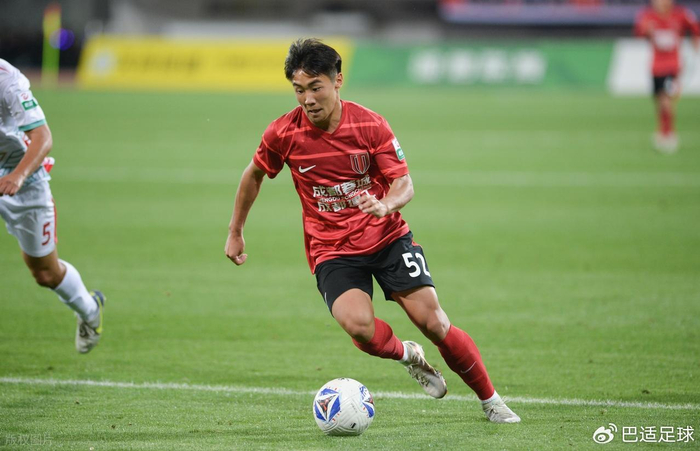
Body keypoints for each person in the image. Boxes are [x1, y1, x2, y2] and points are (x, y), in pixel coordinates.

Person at [225, 39, 520, 423]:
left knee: (435, 323)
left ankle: (491, 401)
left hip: (387, 238)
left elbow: (404, 183)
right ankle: (408, 356)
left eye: (316, 87)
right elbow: (254, 174)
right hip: (331, 248)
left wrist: (386, 205)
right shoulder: (283, 133)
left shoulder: (369, 124)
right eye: (299, 90)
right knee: (359, 327)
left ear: (338, 81)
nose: (308, 99)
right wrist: (236, 230)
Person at [0, 59, 105, 353]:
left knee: (45, 273)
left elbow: (43, 136)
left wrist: (18, 175)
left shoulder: (7, 81)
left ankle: (90, 309)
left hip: (23, 179)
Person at [634, 0, 700, 153]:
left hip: (673, 65)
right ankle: (662, 131)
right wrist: (646, 31)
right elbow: (639, 33)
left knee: (666, 99)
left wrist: (695, 41)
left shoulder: (681, 14)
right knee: (659, 100)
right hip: (656, 66)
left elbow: (695, 28)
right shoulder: (648, 16)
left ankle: (668, 134)